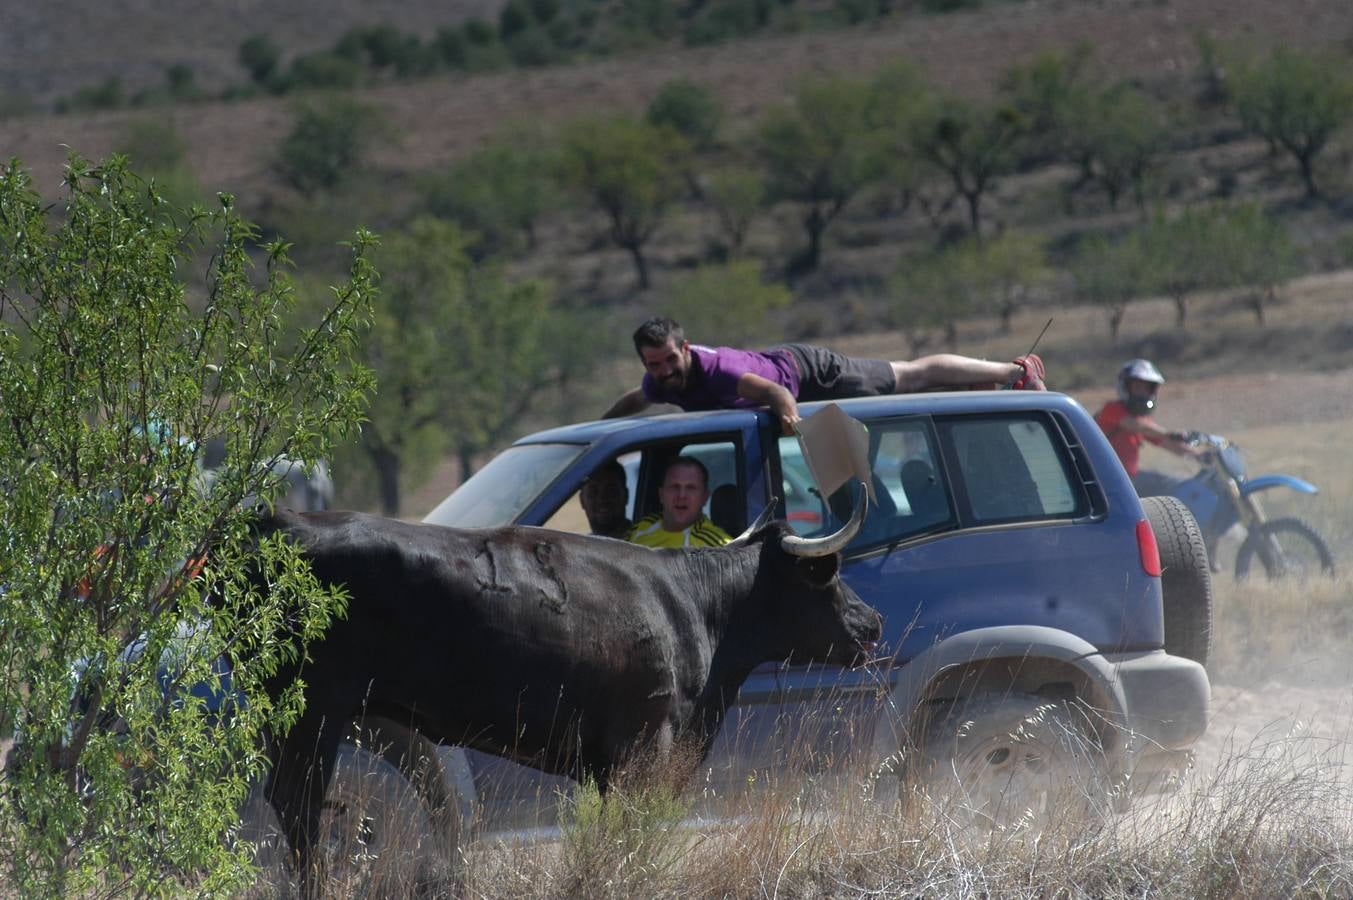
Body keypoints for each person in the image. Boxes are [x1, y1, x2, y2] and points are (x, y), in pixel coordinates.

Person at [603, 317, 1046, 435]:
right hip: (781, 371)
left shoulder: (720, 371)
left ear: (684, 348)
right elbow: (635, 400)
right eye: (652, 364)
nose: (662, 371)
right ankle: (971, 384)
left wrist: (791, 424)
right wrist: (602, 426)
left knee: (906, 377)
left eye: (668, 361)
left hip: (806, 371)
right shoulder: (659, 381)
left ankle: (1016, 369)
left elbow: (775, 394)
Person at [1095, 358, 1202, 496]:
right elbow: (1138, 427)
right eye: (1138, 387)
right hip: (1110, 483)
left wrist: (1200, 456)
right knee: (1175, 487)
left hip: (1130, 480)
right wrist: (1169, 433)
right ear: (1125, 387)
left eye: (1147, 388)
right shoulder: (1112, 409)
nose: (1143, 393)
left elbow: (1168, 444)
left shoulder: (1141, 420)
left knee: (1180, 483)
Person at [626, 456, 731, 548]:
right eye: (674, 487)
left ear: (705, 497)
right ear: (661, 495)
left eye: (691, 488)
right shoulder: (640, 529)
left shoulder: (717, 548)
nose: (681, 495)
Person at [579, 459, 633, 539]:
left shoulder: (643, 540)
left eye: (611, 491)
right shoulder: (582, 545)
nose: (602, 499)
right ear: (582, 500)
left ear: (626, 496)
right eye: (593, 491)